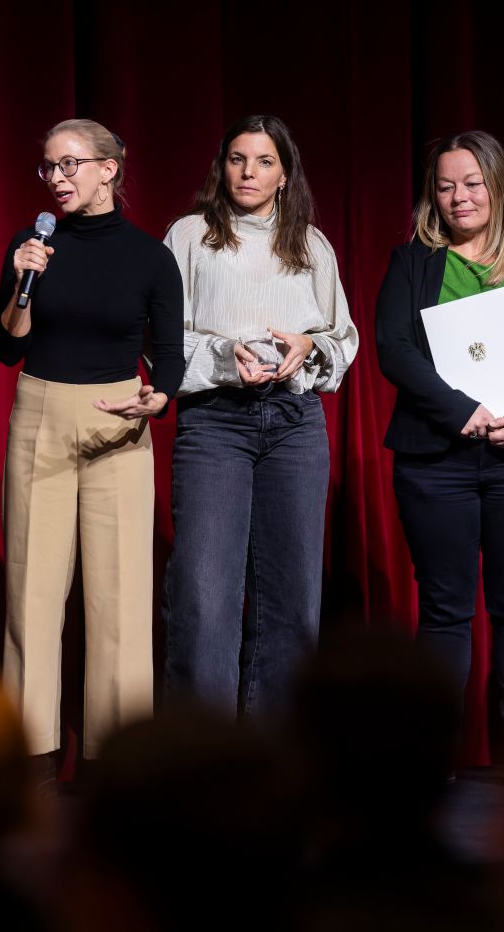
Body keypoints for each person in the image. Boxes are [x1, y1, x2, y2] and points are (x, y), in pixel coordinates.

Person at [375, 130, 504, 761]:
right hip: (436, 461)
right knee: (444, 611)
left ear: (497, 186)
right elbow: (394, 350)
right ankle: (432, 760)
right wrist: (462, 411)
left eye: (471, 183)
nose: (458, 197)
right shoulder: (412, 264)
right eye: (445, 186)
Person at [0, 118, 182, 768]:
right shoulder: (32, 245)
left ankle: (118, 758)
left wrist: (159, 397)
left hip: (118, 420)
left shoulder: (151, 257)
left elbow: (173, 359)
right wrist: (25, 281)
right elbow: (5, 342)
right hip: (41, 409)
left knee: (120, 597)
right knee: (32, 592)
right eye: (48, 167)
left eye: (70, 164)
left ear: (110, 168)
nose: (57, 179)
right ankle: (31, 757)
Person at [162, 114, 357, 716]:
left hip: (295, 422)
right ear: (221, 168)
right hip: (217, 420)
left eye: (264, 161)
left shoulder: (312, 244)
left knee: (292, 597)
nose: (249, 172)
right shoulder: (191, 235)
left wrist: (310, 347)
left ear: (284, 175)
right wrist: (225, 355)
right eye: (237, 159)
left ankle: (277, 750)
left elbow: (341, 337)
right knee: (205, 593)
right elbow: (164, 339)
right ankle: (202, 748)